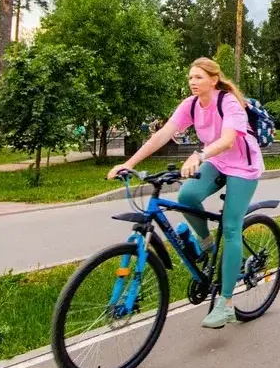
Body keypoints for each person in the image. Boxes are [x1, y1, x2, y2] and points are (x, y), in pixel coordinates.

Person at [108, 57, 263, 330]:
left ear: (213, 80)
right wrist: (129, 163)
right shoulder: (190, 105)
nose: (193, 82)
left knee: (230, 227)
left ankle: (226, 303)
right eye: (190, 77)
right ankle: (206, 246)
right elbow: (163, 134)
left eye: (199, 77)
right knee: (187, 196)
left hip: (242, 166)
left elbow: (228, 139)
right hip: (217, 161)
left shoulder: (227, 101)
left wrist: (199, 155)